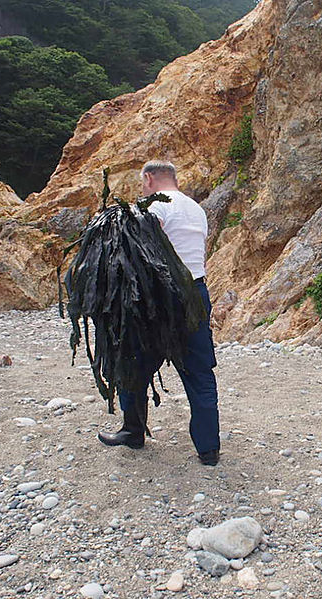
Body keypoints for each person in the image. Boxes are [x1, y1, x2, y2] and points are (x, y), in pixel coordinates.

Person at [97, 160, 221, 466]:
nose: (142, 189)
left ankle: (133, 430)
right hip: (196, 293)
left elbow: (141, 253)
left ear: (150, 179)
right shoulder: (196, 209)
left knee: (132, 360)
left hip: (158, 298)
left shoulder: (155, 206)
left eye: (142, 183)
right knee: (200, 372)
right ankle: (209, 449)